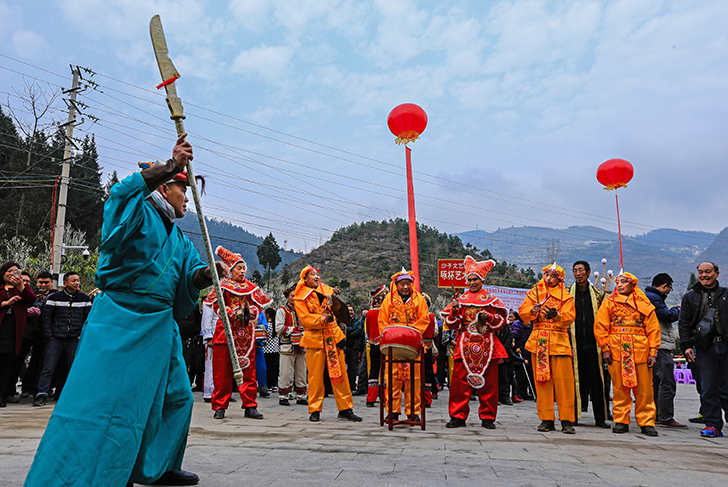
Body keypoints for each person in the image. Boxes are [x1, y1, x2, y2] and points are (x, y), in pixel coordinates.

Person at [25, 134, 218, 486]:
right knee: (108, 406)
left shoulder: (180, 240)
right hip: (120, 322)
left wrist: (206, 274)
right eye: (182, 189)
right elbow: (120, 194)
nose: (187, 199)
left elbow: (189, 278)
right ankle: (107, 470)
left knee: (176, 397)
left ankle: (160, 466)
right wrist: (171, 165)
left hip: (161, 328)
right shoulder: (137, 211)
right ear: (163, 188)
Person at [441, 256, 508, 429]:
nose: (471, 282)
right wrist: (455, 311)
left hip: (488, 344)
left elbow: (501, 322)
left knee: (489, 384)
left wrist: (490, 317)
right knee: (459, 383)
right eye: (469, 279)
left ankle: (488, 417)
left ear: (482, 280)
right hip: (464, 345)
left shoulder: (491, 300)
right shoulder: (460, 300)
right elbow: (451, 324)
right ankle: (457, 416)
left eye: (475, 279)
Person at [207, 245, 271, 420]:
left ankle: (250, 405)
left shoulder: (251, 287)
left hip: (246, 335)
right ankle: (219, 406)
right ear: (231, 270)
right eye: (239, 268)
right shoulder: (222, 286)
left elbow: (258, 307)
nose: (242, 272)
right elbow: (215, 305)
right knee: (222, 372)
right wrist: (231, 313)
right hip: (225, 333)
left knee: (249, 371)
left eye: (244, 268)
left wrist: (250, 312)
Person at [594, 272, 660, 437]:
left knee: (645, 389)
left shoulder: (644, 303)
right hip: (617, 349)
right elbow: (601, 326)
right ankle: (621, 420)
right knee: (619, 388)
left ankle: (647, 422)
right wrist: (605, 348)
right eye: (618, 282)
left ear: (632, 285)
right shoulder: (609, 302)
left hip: (640, 350)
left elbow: (653, 329)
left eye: (624, 282)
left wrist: (653, 352)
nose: (620, 284)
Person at [293, 266, 361, 422]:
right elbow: (305, 320)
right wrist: (323, 320)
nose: (317, 277)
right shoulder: (299, 297)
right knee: (315, 376)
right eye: (313, 275)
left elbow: (338, 310)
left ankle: (345, 408)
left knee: (340, 374)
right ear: (305, 279)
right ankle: (314, 409)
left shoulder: (326, 290)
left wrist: (337, 300)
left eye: (317, 274)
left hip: (332, 337)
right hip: (315, 339)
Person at [519, 263, 577, 434]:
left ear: (559, 279)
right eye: (546, 275)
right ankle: (546, 419)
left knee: (564, 382)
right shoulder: (534, 293)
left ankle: (567, 419)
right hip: (539, 341)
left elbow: (570, 316)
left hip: (559, 340)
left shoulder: (566, 296)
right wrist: (533, 310)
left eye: (552, 276)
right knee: (542, 381)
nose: (548, 278)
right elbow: (523, 312)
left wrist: (556, 316)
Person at [679, 262, 728, 438]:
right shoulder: (690, 297)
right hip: (704, 348)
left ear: (717, 273)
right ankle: (713, 425)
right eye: (700, 272)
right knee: (708, 388)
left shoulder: (726, 294)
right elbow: (684, 323)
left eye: (708, 272)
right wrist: (686, 346)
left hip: (725, 345)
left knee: (726, 388)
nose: (704, 275)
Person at [378, 268, 430, 422]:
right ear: (397, 285)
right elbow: (382, 320)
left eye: (408, 284)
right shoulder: (389, 299)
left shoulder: (419, 299)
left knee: (414, 380)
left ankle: (413, 412)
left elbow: (424, 318)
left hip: (413, 346)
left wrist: (411, 334)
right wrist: (390, 336)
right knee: (392, 379)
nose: (405, 287)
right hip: (393, 346)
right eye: (402, 284)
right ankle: (392, 411)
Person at [33, 271, 92, 406]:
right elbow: (46, 318)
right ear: (65, 283)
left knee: (73, 367)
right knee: (48, 367)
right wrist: (48, 335)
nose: (77, 283)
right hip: (56, 338)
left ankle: (71, 394)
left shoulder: (84, 299)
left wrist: (80, 335)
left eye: (77, 280)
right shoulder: (54, 298)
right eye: (73, 281)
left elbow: (88, 319)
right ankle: (41, 394)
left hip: (74, 339)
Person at [567, 261, 609, 428]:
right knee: (574, 381)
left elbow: (605, 321)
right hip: (574, 345)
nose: (578, 273)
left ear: (588, 272)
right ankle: (572, 416)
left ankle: (600, 418)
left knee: (598, 382)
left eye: (581, 270)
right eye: (575, 270)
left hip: (594, 346)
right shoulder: (567, 294)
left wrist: (605, 346)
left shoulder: (599, 294)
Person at [644, 273, 686, 428]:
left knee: (656, 382)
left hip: (653, 345)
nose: (669, 292)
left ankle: (655, 414)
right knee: (667, 382)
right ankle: (666, 417)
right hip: (660, 345)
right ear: (664, 286)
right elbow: (667, 316)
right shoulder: (654, 298)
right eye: (669, 288)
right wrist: (678, 309)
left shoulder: (647, 296)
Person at [0, 261, 36, 407]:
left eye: (15, 271)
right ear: (2, 273)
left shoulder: (23, 288)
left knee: (8, 365)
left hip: (14, 331)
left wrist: (21, 287)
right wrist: (5, 304)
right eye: (9, 271)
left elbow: (32, 299)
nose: (12, 274)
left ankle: (3, 394)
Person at [19, 271, 55, 399]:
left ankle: (37, 388)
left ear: (51, 283)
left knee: (39, 362)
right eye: (41, 282)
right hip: (27, 332)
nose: (43, 285)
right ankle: (25, 387)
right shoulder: (29, 293)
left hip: (44, 334)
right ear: (37, 282)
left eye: (46, 282)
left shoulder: (55, 295)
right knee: (19, 360)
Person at [276, 286, 307, 406]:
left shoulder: (303, 310)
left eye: (296, 296)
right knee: (285, 372)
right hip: (287, 346)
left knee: (302, 372)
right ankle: (283, 396)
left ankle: (301, 396)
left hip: (301, 345)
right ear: (287, 297)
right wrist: (294, 329)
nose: (294, 298)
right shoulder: (282, 310)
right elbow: (278, 328)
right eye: (292, 296)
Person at [365, 285, 388, 407]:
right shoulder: (387, 311)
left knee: (373, 371)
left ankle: (371, 398)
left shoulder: (370, 313)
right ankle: (385, 397)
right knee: (385, 371)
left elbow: (368, 330)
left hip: (374, 343)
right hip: (386, 344)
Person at [510, 311, 534, 400]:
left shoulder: (528, 328)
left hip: (528, 352)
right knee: (521, 375)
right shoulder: (517, 328)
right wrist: (515, 346)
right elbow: (512, 336)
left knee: (527, 375)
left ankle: (524, 393)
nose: (529, 324)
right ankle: (519, 393)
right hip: (520, 355)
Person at [345, 304, 365, 394]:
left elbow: (359, 331)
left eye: (351, 310)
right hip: (344, 348)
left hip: (354, 348)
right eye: (348, 310)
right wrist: (351, 330)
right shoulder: (343, 321)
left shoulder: (357, 321)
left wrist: (346, 331)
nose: (350, 312)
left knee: (353, 369)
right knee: (343, 369)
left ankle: (352, 387)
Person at [263, 307, 280, 393]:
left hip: (267, 350)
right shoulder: (276, 326)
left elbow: (265, 338)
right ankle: (274, 384)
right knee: (274, 368)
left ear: (267, 315)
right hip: (275, 349)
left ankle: (269, 385)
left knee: (268, 367)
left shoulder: (267, 326)